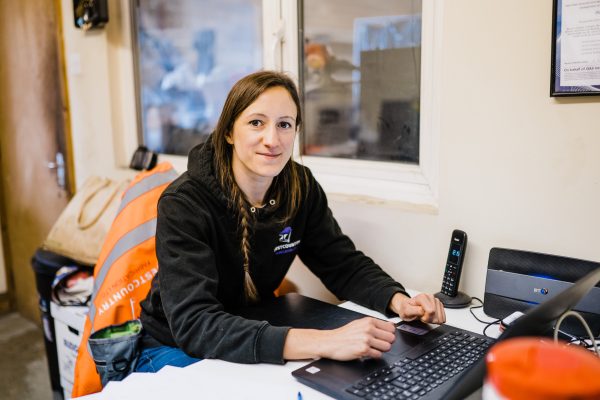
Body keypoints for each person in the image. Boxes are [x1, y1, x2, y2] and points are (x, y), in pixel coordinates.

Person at [136, 70, 446, 372]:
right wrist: (325, 342)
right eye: (256, 122)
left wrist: (398, 300)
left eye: (284, 125)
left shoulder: (300, 186)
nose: (272, 139)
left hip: (253, 326)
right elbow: (196, 324)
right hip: (172, 343)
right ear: (229, 131)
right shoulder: (184, 203)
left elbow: (340, 263)